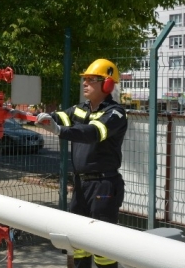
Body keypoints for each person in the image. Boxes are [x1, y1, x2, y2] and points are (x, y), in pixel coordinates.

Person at [35, 59, 127, 268]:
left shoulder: (115, 113)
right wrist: (30, 116)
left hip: (104, 185)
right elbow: (59, 117)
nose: (84, 83)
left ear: (107, 84)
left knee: (103, 247)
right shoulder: (80, 109)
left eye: (90, 80)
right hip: (81, 185)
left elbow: (93, 132)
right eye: (84, 79)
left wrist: (59, 131)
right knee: (78, 244)